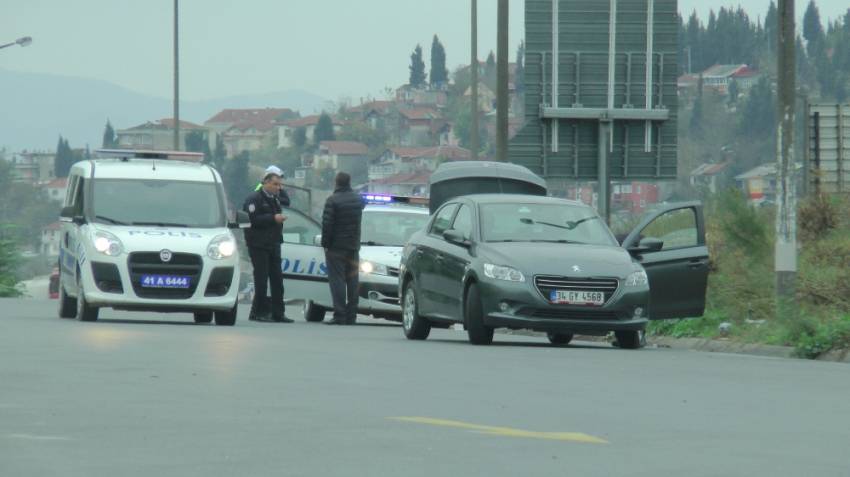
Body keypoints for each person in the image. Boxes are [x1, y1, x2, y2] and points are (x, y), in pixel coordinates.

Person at [243, 170, 293, 323]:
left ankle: (278, 312)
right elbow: (251, 219)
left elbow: (286, 204)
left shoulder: (275, 200)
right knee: (261, 279)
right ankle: (258, 312)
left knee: (277, 279)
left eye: (279, 185)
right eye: (275, 184)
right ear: (265, 182)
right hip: (258, 244)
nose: (278, 188)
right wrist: (273, 218)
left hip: (274, 243)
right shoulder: (254, 199)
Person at [321, 172, 365, 325]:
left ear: (336, 182)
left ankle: (339, 315)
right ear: (349, 182)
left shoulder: (332, 201)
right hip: (353, 246)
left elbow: (327, 225)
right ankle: (351, 315)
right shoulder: (358, 200)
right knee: (353, 280)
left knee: (337, 280)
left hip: (336, 247)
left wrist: (325, 244)